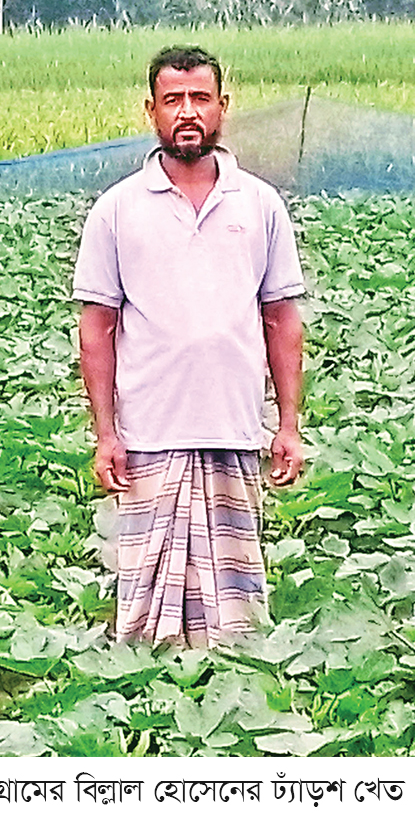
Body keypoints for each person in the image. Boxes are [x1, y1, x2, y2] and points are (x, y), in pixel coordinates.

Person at [73, 45, 306, 648]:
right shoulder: (117, 210)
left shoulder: (259, 204)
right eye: (172, 99)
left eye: (200, 98)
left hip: (234, 427)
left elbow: (281, 319)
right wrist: (106, 433)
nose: (187, 112)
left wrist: (288, 425)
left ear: (222, 106)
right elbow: (97, 329)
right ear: (150, 110)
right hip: (149, 434)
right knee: (147, 612)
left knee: (235, 612)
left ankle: (234, 693)